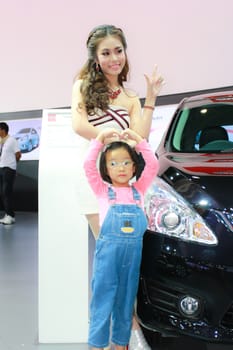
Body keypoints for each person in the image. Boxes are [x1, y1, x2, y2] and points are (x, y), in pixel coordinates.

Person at [71, 24, 163, 350]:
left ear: (125, 53)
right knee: (108, 269)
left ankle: (123, 339)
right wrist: (108, 133)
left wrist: (149, 98)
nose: (114, 58)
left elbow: (140, 136)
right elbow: (79, 123)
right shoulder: (83, 85)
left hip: (127, 180)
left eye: (118, 51)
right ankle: (105, 339)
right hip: (97, 179)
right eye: (106, 52)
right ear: (96, 58)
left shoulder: (130, 96)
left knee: (127, 267)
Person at [84, 127, 159, 350]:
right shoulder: (102, 191)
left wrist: (139, 140)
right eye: (114, 163)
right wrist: (98, 140)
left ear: (135, 166)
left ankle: (120, 344)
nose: (121, 168)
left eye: (126, 162)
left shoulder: (139, 190)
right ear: (105, 169)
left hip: (132, 257)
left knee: (126, 302)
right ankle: (97, 345)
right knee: (102, 299)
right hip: (108, 256)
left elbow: (153, 165)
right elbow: (88, 166)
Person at [0, 122, 21, 225]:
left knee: (6, 192)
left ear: (3, 130)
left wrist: (13, 166)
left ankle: (10, 215)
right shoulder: (1, 141)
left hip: (9, 169)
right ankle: (9, 215)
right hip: (2, 168)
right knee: (4, 193)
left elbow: (18, 154)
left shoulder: (12, 140)